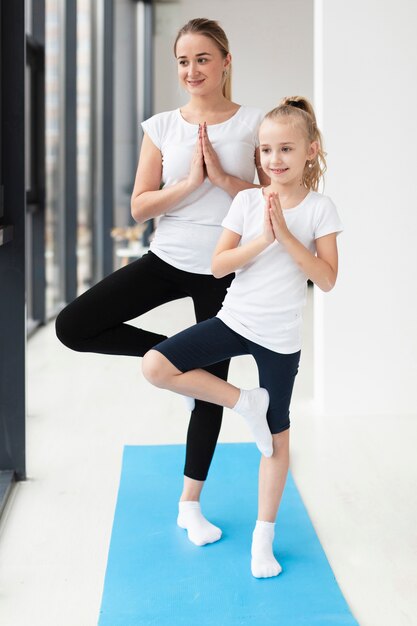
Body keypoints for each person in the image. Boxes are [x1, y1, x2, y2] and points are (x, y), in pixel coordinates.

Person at [55, 18, 268, 548]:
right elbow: (139, 205)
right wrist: (190, 183)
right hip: (166, 258)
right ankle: (181, 363)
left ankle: (189, 506)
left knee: (209, 398)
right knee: (73, 325)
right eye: (182, 61)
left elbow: (274, 202)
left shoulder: (255, 124)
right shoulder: (161, 127)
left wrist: (222, 179)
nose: (191, 70)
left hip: (224, 270)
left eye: (201, 58)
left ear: (225, 61)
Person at [142, 96, 343, 578]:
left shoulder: (320, 208)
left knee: (276, 442)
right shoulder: (248, 200)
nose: (275, 160)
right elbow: (218, 265)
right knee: (155, 365)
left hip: (280, 339)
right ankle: (241, 401)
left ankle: (263, 538)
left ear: (310, 151)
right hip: (235, 321)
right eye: (267, 150)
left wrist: (289, 238)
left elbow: (329, 278)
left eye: (287, 150)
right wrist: (263, 240)